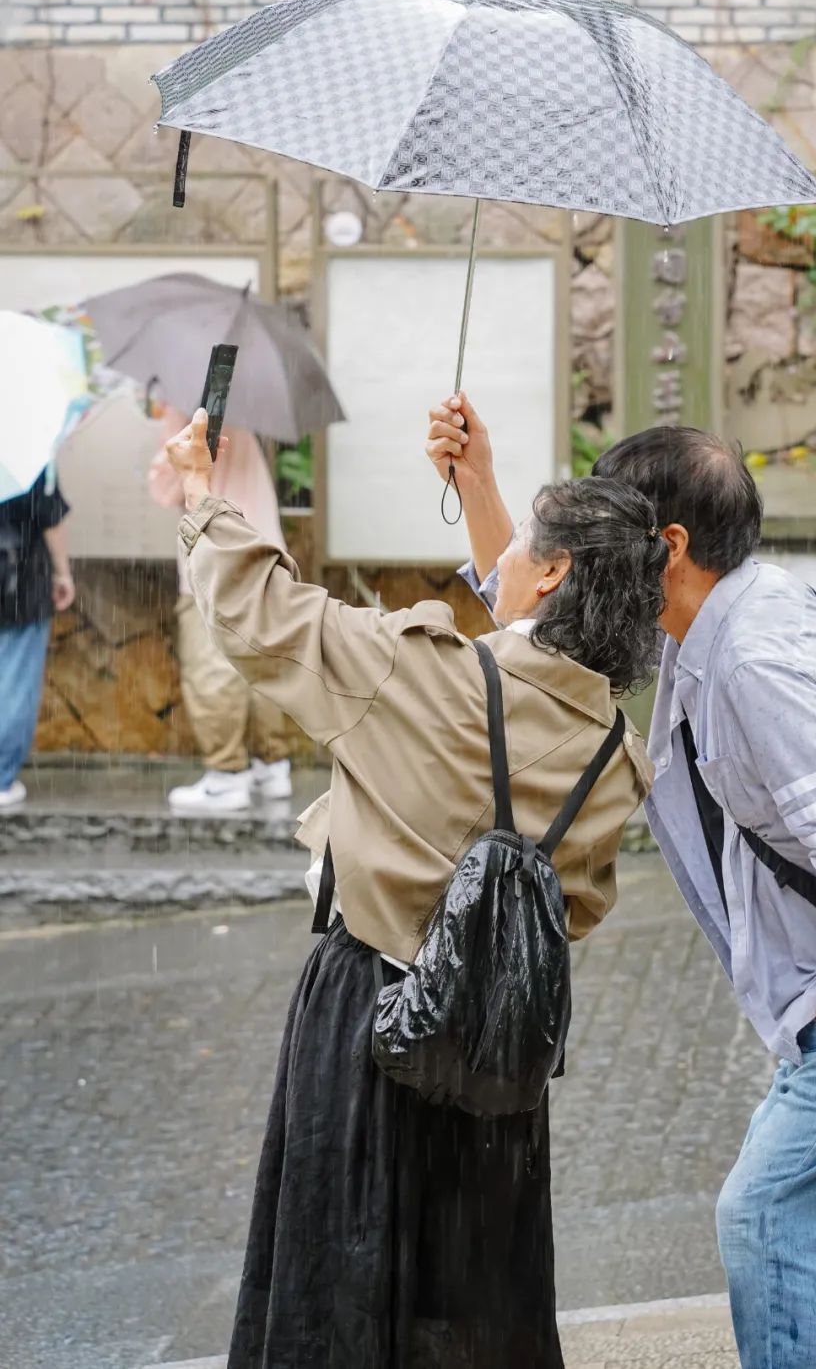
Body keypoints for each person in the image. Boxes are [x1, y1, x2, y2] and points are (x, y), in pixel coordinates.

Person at [427, 397, 816, 1369]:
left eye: (618, 521)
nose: (593, 543)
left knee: (769, 1215)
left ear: (673, 542)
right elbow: (537, 611)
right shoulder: (717, 613)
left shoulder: (754, 658)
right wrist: (477, 485)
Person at [164, 407, 663, 1369]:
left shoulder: (414, 673)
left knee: (340, 1274)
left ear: (553, 572)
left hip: (369, 1012)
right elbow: (531, 660)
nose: (503, 559)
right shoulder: (615, 754)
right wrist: (480, 488)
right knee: (471, 1295)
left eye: (523, 544)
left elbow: (263, 613)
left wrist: (199, 492)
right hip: (494, 1044)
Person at [149, 402, 292, 810]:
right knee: (262, 658)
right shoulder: (241, 404)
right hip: (262, 549)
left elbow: (167, 487)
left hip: (215, 553)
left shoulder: (186, 408)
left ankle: (227, 775)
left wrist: (165, 430)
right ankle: (272, 764)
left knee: (211, 663)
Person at [0, 469, 75, 809]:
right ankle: (1, 779)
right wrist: (62, 572)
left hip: (18, 578)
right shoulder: (26, 453)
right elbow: (49, 515)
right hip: (20, 577)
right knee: (15, 682)